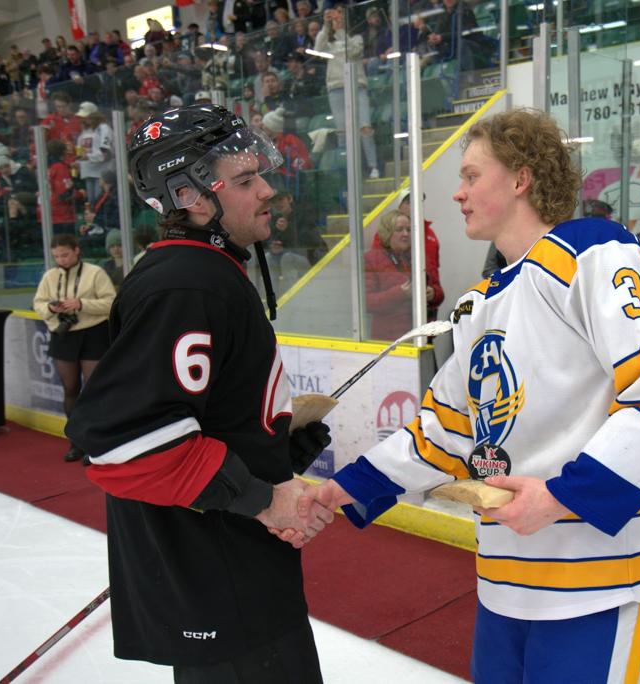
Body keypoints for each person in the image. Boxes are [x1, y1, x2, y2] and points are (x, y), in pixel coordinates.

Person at [310, 109, 640, 682]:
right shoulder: (482, 302)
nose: (457, 193)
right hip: (507, 579)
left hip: (603, 577)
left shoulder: (593, 252)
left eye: (472, 175)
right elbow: (444, 431)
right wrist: (339, 490)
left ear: (521, 179)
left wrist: (561, 497)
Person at [64, 105, 335, 682]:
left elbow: (199, 419)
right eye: (243, 181)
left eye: (258, 172)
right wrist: (263, 499)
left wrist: (275, 453)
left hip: (232, 576)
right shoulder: (187, 284)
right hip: (220, 585)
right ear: (189, 196)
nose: (267, 188)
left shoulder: (206, 273)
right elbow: (122, 442)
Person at [33, 233, 116, 462]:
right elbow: (38, 304)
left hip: (93, 332)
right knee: (70, 389)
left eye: (65, 254)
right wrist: (51, 308)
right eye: (57, 256)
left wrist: (82, 304)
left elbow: (112, 302)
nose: (61, 260)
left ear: (77, 250)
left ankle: (96, 444)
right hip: (64, 334)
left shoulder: (95, 273)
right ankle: (76, 442)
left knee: (92, 389)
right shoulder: (50, 276)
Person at [315, 4, 380, 178]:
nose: (337, 18)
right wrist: (326, 25)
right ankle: (349, 170)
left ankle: (373, 166)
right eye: (335, 15)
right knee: (343, 132)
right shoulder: (329, 41)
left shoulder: (356, 38)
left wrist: (341, 31)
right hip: (336, 88)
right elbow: (318, 50)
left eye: (340, 15)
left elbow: (354, 52)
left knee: (365, 127)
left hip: (356, 86)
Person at [364, 211, 443, 340]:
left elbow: (440, 293)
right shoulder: (371, 259)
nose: (406, 234)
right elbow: (367, 303)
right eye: (399, 230)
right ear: (387, 232)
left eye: (408, 229)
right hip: (389, 340)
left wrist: (433, 294)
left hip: (421, 337)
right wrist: (400, 293)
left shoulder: (420, 258)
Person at [74, 102, 113, 204]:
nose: (84, 119)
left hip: (101, 172)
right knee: (91, 203)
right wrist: (79, 162)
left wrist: (88, 157)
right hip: (88, 171)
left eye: (87, 117)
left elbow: (106, 154)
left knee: (99, 201)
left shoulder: (103, 129)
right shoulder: (85, 132)